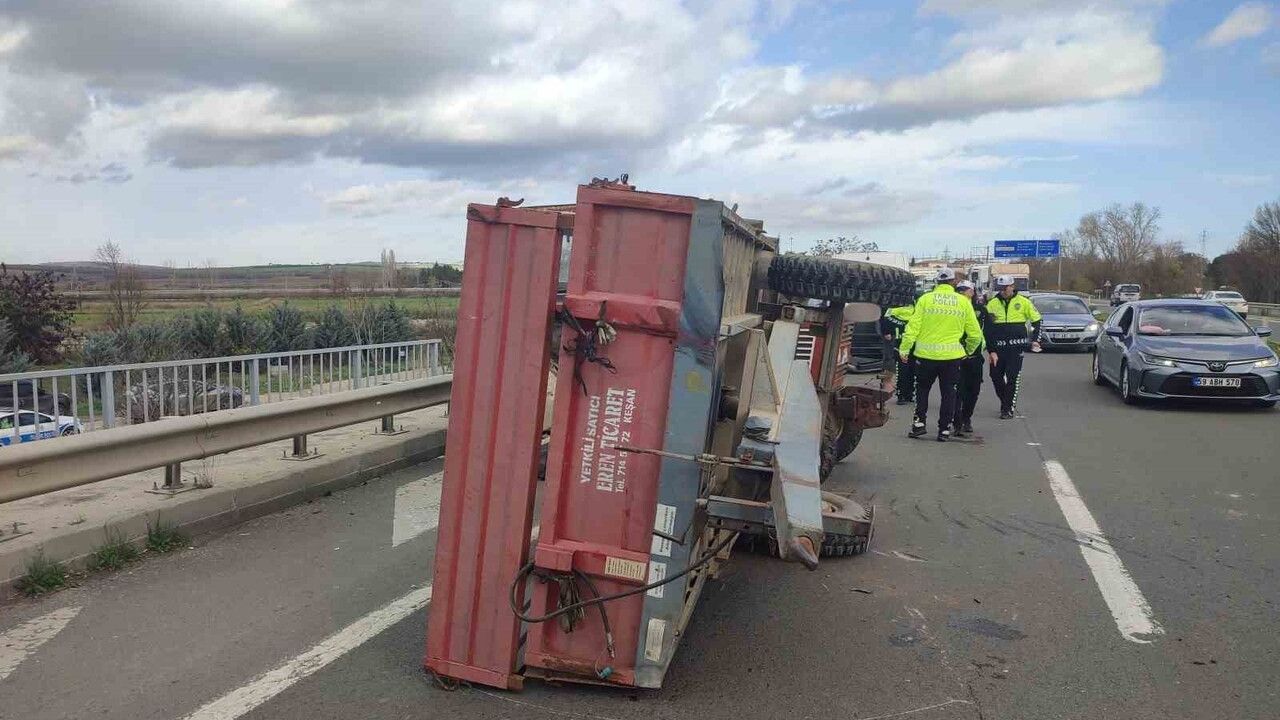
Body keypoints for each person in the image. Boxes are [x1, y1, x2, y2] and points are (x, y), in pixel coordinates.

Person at [898, 268, 983, 442]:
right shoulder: (962, 302)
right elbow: (975, 334)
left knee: (922, 391)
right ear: (953, 282)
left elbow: (913, 327)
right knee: (949, 394)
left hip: (925, 355)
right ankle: (944, 430)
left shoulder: (925, 299)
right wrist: (967, 350)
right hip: (951, 357)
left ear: (937, 282)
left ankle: (919, 424)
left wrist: (904, 349)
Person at [986, 275, 1042, 419]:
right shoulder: (992, 304)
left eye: (1007, 288)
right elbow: (987, 330)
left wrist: (1035, 340)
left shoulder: (1024, 302)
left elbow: (1037, 321)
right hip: (998, 349)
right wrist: (991, 349)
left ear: (1012, 286)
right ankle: (1006, 400)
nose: (1004, 291)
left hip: (1016, 348)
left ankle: (1007, 408)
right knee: (995, 376)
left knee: (1012, 377)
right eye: (1002, 289)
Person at [954, 281, 988, 436]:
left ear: (972, 292)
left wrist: (992, 350)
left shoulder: (980, 310)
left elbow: (988, 331)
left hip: (974, 357)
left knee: (973, 391)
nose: (962, 293)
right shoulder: (952, 309)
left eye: (965, 290)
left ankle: (967, 418)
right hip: (956, 356)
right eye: (960, 290)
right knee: (957, 391)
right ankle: (956, 422)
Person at [880, 295, 919, 405]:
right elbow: (886, 319)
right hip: (905, 343)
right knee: (906, 370)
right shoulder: (897, 306)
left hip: (909, 343)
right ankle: (904, 395)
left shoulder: (913, 306)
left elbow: (886, 319)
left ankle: (907, 394)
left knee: (908, 370)